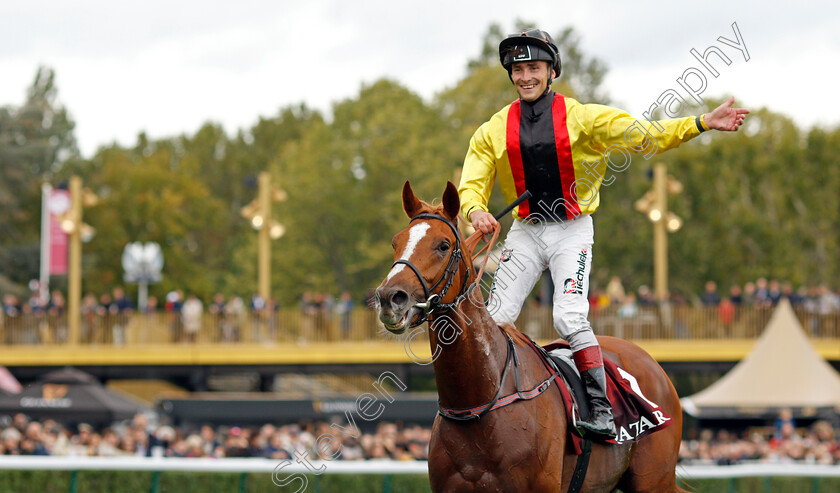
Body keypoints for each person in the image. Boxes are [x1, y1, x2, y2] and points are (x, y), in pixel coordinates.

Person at [458, 28, 749, 439]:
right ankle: (486, 408)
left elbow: (645, 137)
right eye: (518, 69)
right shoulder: (493, 128)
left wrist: (700, 123)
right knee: (495, 318)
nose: (526, 76)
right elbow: (473, 180)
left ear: (551, 71)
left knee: (568, 315)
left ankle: (600, 407)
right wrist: (475, 210)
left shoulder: (582, 117)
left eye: (534, 68)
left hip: (571, 230)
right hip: (525, 231)